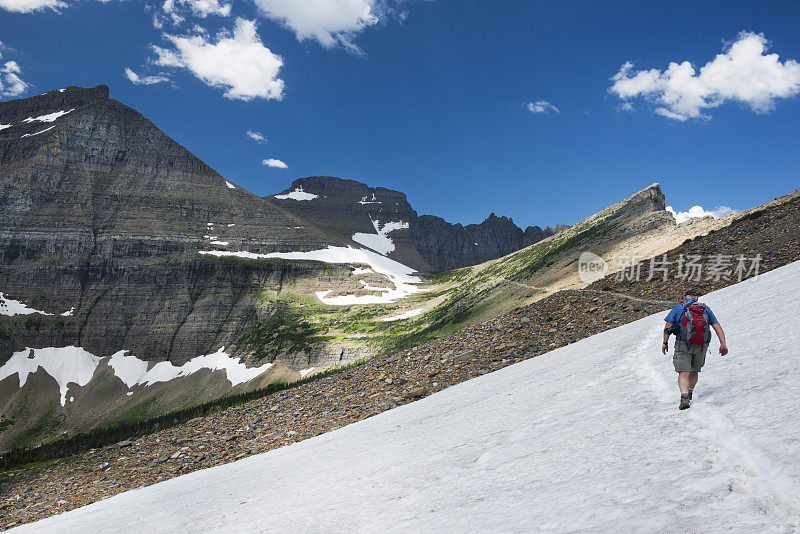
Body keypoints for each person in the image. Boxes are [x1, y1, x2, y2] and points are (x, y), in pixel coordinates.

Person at [662, 289, 728, 410]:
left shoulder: (678, 308)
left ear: (685, 297)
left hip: (683, 344)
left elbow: (668, 326)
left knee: (683, 372)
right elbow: (717, 326)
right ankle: (690, 392)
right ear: (696, 298)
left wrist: (665, 342)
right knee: (694, 370)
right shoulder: (704, 309)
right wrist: (723, 344)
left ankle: (684, 397)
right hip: (702, 345)